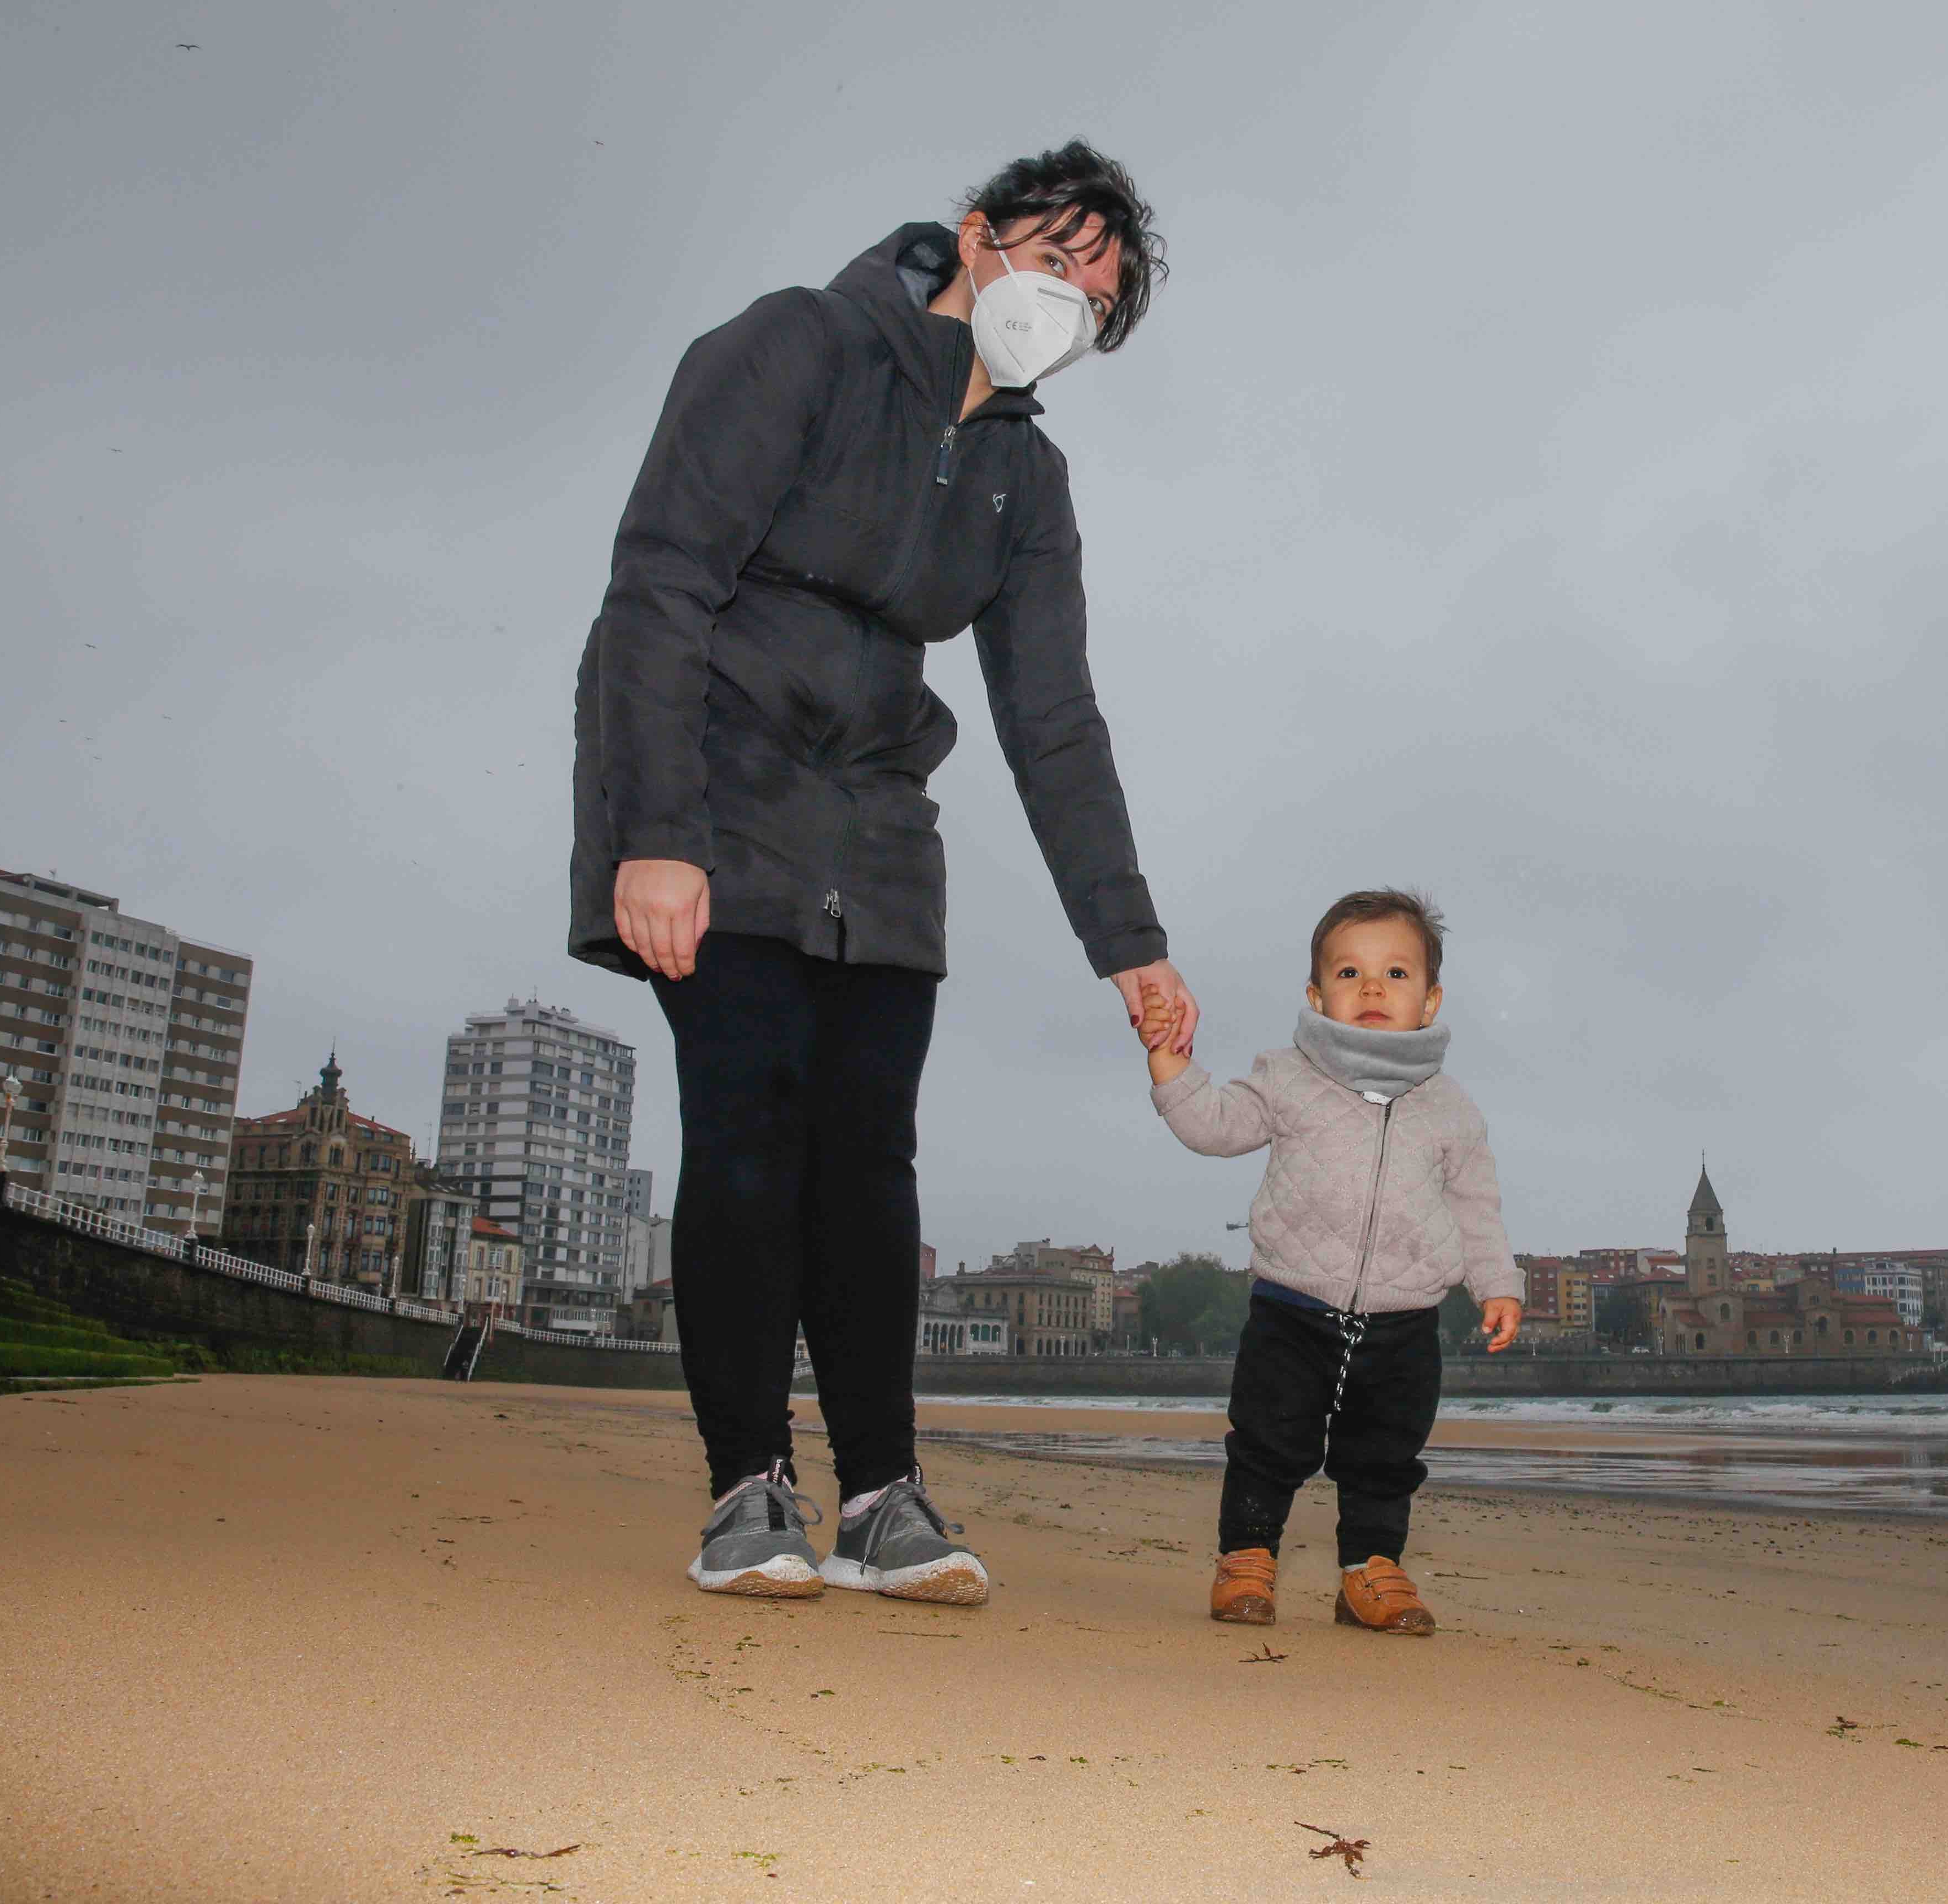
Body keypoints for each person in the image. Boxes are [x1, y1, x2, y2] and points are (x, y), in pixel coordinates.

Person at [568, 141, 1199, 1601]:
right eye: (1052, 258)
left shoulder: (1024, 481)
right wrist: (655, 831)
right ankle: (746, 1487)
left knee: (870, 1166)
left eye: (1094, 300)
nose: (1064, 301)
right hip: (718, 802)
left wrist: (1131, 942)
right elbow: (657, 581)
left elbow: (1053, 722)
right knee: (747, 1130)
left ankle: (883, 1499)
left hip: (882, 841)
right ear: (978, 237)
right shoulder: (800, 345)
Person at [1135, 890, 1520, 1636]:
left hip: (1406, 1321)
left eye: (1396, 974)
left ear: (1431, 1000)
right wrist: (1171, 1067)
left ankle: (1370, 1572)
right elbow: (1215, 1127)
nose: (1372, 988)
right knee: (1267, 1443)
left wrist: (1498, 1284)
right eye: (1349, 972)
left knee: (1385, 1457)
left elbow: (1476, 1206)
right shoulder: (1287, 1077)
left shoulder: (1451, 1109)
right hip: (1293, 1308)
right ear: (1317, 996)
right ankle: (1247, 1560)